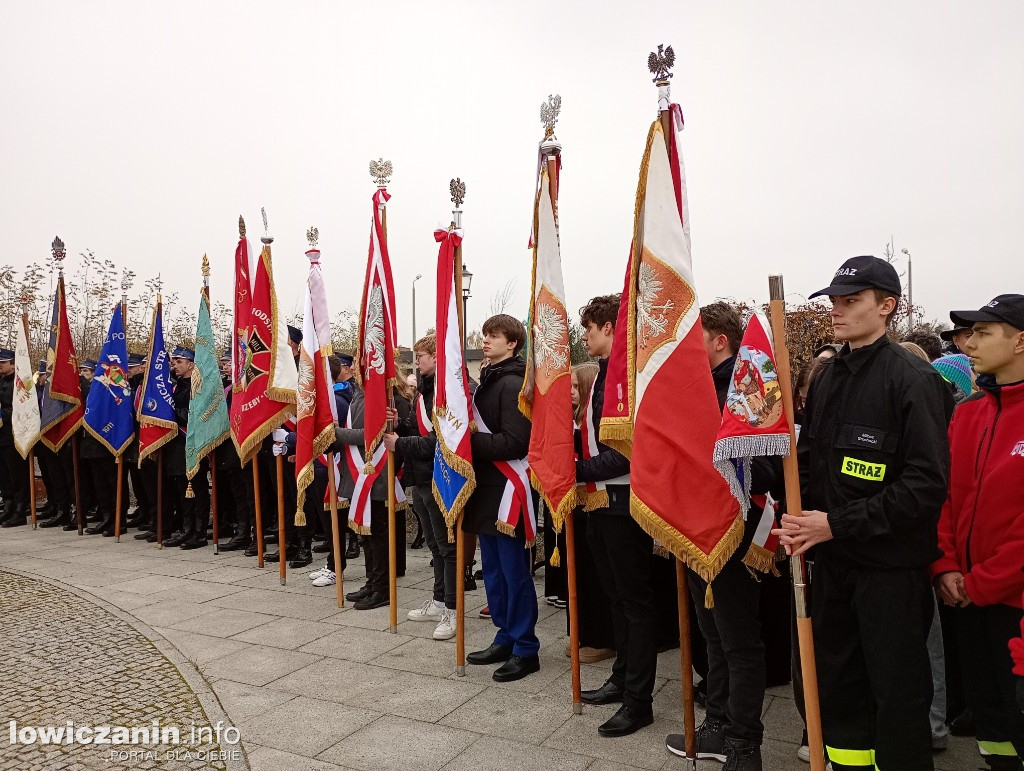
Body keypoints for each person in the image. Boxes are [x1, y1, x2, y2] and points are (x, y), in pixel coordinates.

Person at [774, 255, 954, 771]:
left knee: (897, 693)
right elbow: (809, 464)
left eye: (851, 301)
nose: (837, 310)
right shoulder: (829, 379)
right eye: (833, 301)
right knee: (841, 686)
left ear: (887, 306)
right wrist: (800, 517)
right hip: (833, 565)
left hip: (890, 570)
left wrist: (836, 523)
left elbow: (924, 486)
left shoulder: (914, 379)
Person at [666, 302, 783, 771]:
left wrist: (722, 452)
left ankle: (743, 744)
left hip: (735, 529)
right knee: (711, 634)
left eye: (696, 336)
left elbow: (771, 465)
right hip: (698, 527)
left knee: (738, 642)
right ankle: (716, 724)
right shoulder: (696, 388)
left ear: (720, 341)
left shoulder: (747, 383)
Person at [931, 294, 1024, 770]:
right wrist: (946, 567)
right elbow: (946, 496)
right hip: (965, 597)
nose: (969, 343)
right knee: (991, 721)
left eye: (985, 332)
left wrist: (981, 583)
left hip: (1012, 603)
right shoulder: (967, 412)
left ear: (1021, 340)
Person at [571, 294, 658, 736]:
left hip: (623, 503)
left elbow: (627, 453)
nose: (584, 334)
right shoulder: (604, 376)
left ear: (609, 327)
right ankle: (623, 679)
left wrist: (575, 469)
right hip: (599, 502)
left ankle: (639, 700)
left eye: (589, 327)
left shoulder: (625, 378)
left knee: (635, 604)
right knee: (619, 601)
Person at [464, 314, 539, 683]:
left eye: (494, 336)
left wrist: (466, 443)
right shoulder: (487, 382)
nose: (486, 340)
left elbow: (515, 442)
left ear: (512, 343)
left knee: (514, 573)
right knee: (493, 573)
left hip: (508, 491)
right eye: (486, 334)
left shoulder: (512, 384)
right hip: (487, 488)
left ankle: (526, 646)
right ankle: (505, 635)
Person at [384, 334, 458, 640]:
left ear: (437, 357)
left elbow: (439, 441)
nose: (418, 363)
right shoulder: (425, 391)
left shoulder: (446, 392)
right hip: (422, 476)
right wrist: (401, 423)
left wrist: (401, 442)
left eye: (422, 357)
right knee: (434, 545)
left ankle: (452, 610)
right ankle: (439, 598)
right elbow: (422, 430)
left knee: (447, 547)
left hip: (438, 477)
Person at [334, 377, 412, 610]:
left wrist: (334, 432)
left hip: (374, 475)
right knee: (366, 534)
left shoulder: (377, 395)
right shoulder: (358, 394)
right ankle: (372, 582)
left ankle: (382, 587)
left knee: (377, 534)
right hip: (358, 474)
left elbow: (369, 435)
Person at [559, 360, 615, 663]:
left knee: (595, 578)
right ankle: (581, 632)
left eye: (575, 387)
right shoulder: (572, 420)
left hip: (597, 501)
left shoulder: (593, 423)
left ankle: (601, 638)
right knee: (577, 574)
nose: (570, 392)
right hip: (576, 506)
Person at [164, 345, 209, 549]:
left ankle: (199, 534)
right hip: (176, 447)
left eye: (180, 362)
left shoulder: (198, 387)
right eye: (174, 362)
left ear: (191, 364)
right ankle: (186, 529)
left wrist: (170, 413)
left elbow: (196, 416)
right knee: (182, 491)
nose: (175, 365)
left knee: (196, 490)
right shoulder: (176, 386)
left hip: (192, 445)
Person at [0, 347, 30, 528]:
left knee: (17, 475)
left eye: (3, 363)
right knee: (4, 476)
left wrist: (2, 414)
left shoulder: (22, 382)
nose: (0, 366)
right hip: (1, 437)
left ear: (13, 364)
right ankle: (8, 507)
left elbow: (24, 407)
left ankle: (20, 510)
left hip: (14, 436)